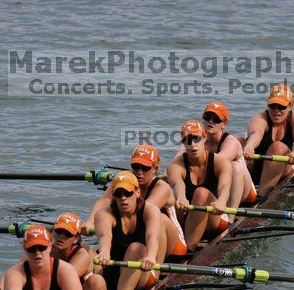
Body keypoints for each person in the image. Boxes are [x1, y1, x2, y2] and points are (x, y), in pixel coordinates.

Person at [83, 144, 187, 261]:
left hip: (174, 246)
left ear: (155, 168)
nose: (139, 172)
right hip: (139, 239)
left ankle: (154, 271)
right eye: (135, 166)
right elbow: (104, 201)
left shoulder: (161, 187)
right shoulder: (124, 179)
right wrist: (90, 221)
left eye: (145, 168)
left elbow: (139, 213)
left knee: (159, 218)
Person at [95, 171, 168, 290]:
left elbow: (152, 237)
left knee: (136, 248)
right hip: (113, 268)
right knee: (87, 252)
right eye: (118, 194)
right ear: (113, 196)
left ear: (138, 192)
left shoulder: (150, 210)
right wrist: (104, 251)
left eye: (128, 193)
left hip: (142, 271)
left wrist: (151, 256)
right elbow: (105, 236)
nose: (123, 198)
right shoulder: (104, 214)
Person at [166, 120, 232, 251]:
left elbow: (225, 187)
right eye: (187, 141)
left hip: (214, 218)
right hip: (189, 216)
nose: (193, 145)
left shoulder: (221, 162)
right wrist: (180, 197)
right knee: (167, 199)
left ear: (205, 138)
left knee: (201, 193)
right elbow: (178, 184)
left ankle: (188, 250)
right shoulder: (175, 165)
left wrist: (222, 201)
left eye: (196, 139)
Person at [240, 83, 294, 196]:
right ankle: (241, 190)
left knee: (278, 147)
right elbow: (255, 133)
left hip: (281, 170)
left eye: (281, 107)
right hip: (255, 167)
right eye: (272, 106)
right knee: (237, 141)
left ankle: (262, 198)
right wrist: (249, 146)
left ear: (291, 105)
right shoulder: (260, 117)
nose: (276, 111)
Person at [50, 212, 109, 290]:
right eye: (59, 231)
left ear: (76, 238)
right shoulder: (43, 248)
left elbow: (62, 282)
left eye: (68, 234)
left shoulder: (81, 255)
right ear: (52, 231)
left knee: (96, 281)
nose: (61, 237)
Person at [201, 102, 257, 209]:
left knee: (234, 167)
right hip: (219, 186)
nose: (211, 121)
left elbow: (217, 164)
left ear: (224, 124)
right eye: (207, 117)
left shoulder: (231, 142)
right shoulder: (195, 139)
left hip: (246, 194)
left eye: (216, 119)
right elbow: (179, 159)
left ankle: (230, 218)